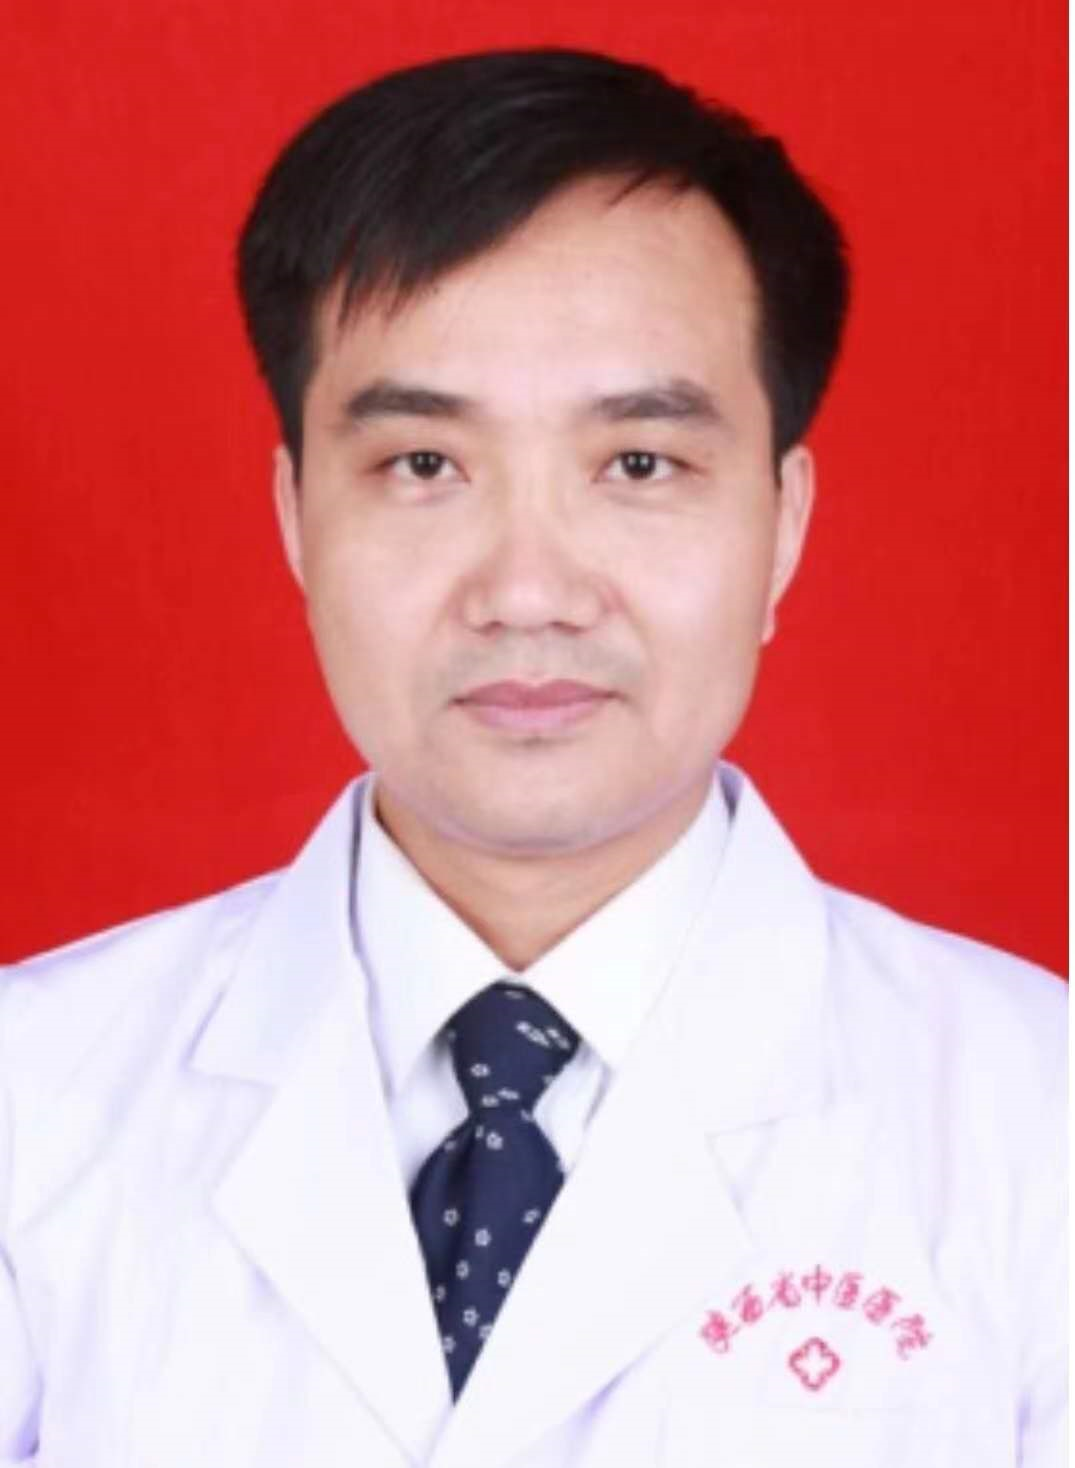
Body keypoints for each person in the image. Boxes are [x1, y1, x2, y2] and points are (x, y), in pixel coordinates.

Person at [0, 47, 1064, 1468]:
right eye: (423, 465)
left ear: (783, 523)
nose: (527, 592)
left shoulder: (1034, 1123)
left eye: (639, 465)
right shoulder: (32, 1100)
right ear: (298, 516)